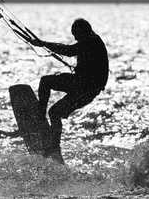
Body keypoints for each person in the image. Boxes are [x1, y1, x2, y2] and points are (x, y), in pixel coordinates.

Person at [26, 18, 109, 163]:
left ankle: (40, 116)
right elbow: (74, 52)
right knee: (54, 113)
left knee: (46, 82)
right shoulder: (92, 40)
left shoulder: (92, 42)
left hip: (83, 87)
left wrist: (42, 43)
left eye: (76, 35)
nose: (75, 38)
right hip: (85, 88)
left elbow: (68, 51)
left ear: (84, 31)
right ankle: (54, 146)